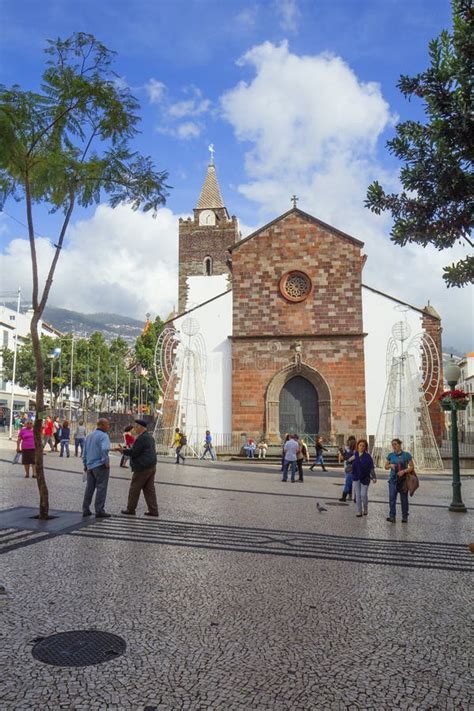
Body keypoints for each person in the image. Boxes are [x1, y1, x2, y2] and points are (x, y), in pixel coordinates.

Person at [120, 419, 159, 517]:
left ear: (141, 427)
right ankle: (153, 510)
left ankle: (130, 509)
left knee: (134, 489)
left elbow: (134, 452)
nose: (134, 428)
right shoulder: (149, 437)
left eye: (136, 426)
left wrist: (122, 450)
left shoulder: (142, 438)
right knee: (149, 490)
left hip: (142, 468)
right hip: (151, 466)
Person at [82, 418, 112, 518]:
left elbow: (84, 452)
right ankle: (99, 510)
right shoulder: (104, 436)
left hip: (90, 466)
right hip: (100, 465)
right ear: (102, 425)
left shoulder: (89, 435)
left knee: (89, 488)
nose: (108, 426)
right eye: (107, 424)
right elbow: (105, 449)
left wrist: (85, 464)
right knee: (101, 488)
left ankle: (85, 509)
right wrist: (105, 461)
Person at [385, 438, 414, 523]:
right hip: (393, 480)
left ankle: (405, 516)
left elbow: (412, 467)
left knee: (404, 499)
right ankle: (392, 516)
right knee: (392, 498)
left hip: (403, 481)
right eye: (393, 444)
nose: (394, 446)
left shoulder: (406, 455)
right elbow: (386, 466)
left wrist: (404, 471)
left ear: (400, 444)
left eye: (395, 444)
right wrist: (390, 465)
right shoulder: (390, 455)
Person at [352, 439, 376, 517]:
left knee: (363, 495)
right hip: (356, 477)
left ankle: (365, 508)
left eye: (363, 446)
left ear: (365, 447)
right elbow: (349, 462)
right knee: (358, 495)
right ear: (357, 446)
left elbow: (371, 467)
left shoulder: (368, 457)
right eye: (360, 445)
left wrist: (374, 477)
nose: (361, 447)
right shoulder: (355, 455)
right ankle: (359, 511)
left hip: (365, 478)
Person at [338, 436, 356, 501]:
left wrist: (342, 453)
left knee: (348, 482)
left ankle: (344, 497)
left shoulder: (350, 451)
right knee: (355, 484)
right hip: (355, 468)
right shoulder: (355, 451)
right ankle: (354, 498)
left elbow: (345, 458)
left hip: (350, 468)